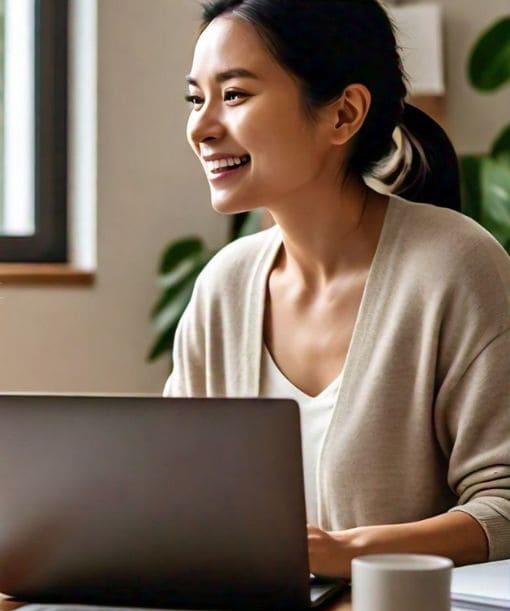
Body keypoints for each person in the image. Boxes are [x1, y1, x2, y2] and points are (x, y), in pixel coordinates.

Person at [164, 0, 510, 578]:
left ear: (344, 114)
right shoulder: (223, 286)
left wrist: (349, 554)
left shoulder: (457, 267)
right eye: (196, 99)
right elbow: (172, 487)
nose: (201, 127)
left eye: (235, 95)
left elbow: (504, 507)